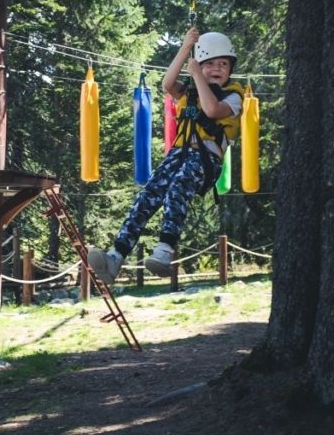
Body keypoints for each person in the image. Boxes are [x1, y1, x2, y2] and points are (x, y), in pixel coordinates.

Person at [88, 27, 246, 283]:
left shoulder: (233, 95)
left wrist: (196, 72)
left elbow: (212, 109)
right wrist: (185, 49)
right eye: (210, 64)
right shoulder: (188, 92)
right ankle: (116, 255)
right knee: (148, 195)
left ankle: (165, 250)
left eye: (223, 64)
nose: (217, 68)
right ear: (201, 64)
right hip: (178, 155)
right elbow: (167, 84)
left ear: (230, 69)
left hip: (205, 159)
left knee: (179, 186)